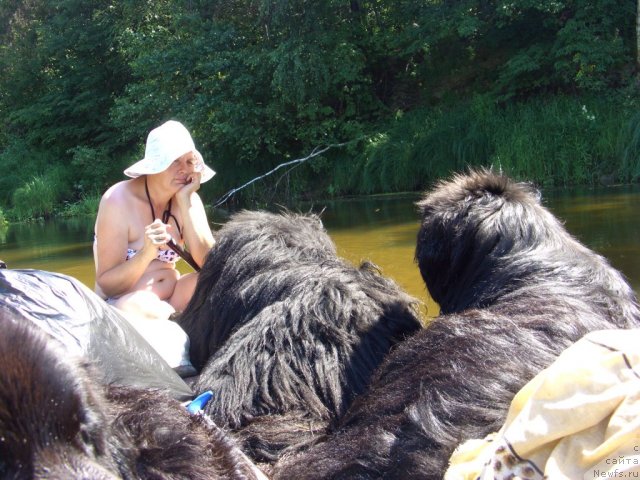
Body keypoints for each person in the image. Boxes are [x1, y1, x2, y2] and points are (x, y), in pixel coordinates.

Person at [94, 120, 215, 320]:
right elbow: (108, 285)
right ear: (154, 165)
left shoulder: (188, 198)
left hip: (174, 294)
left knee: (216, 286)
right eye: (175, 161)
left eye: (189, 161)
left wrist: (185, 201)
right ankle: (178, 323)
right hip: (126, 303)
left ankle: (179, 322)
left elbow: (211, 264)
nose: (184, 169)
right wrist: (146, 254)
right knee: (142, 305)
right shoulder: (117, 200)